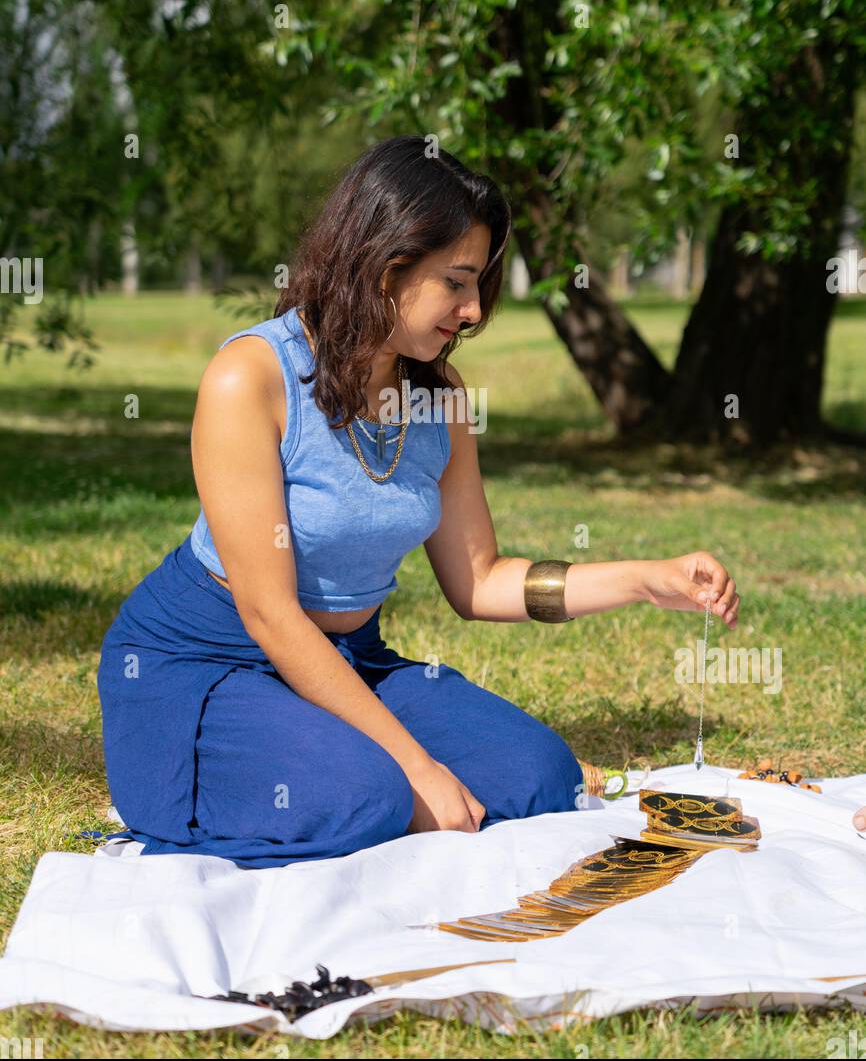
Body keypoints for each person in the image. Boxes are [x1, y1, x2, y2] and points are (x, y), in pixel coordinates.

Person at [96, 135, 744, 870]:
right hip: (205, 663)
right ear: (385, 264)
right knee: (370, 796)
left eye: (480, 285)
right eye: (456, 283)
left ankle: (338, 762)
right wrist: (415, 766)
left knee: (540, 776)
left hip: (350, 661)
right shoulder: (250, 376)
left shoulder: (439, 397)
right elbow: (269, 614)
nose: (473, 310)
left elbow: (479, 580)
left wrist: (645, 580)